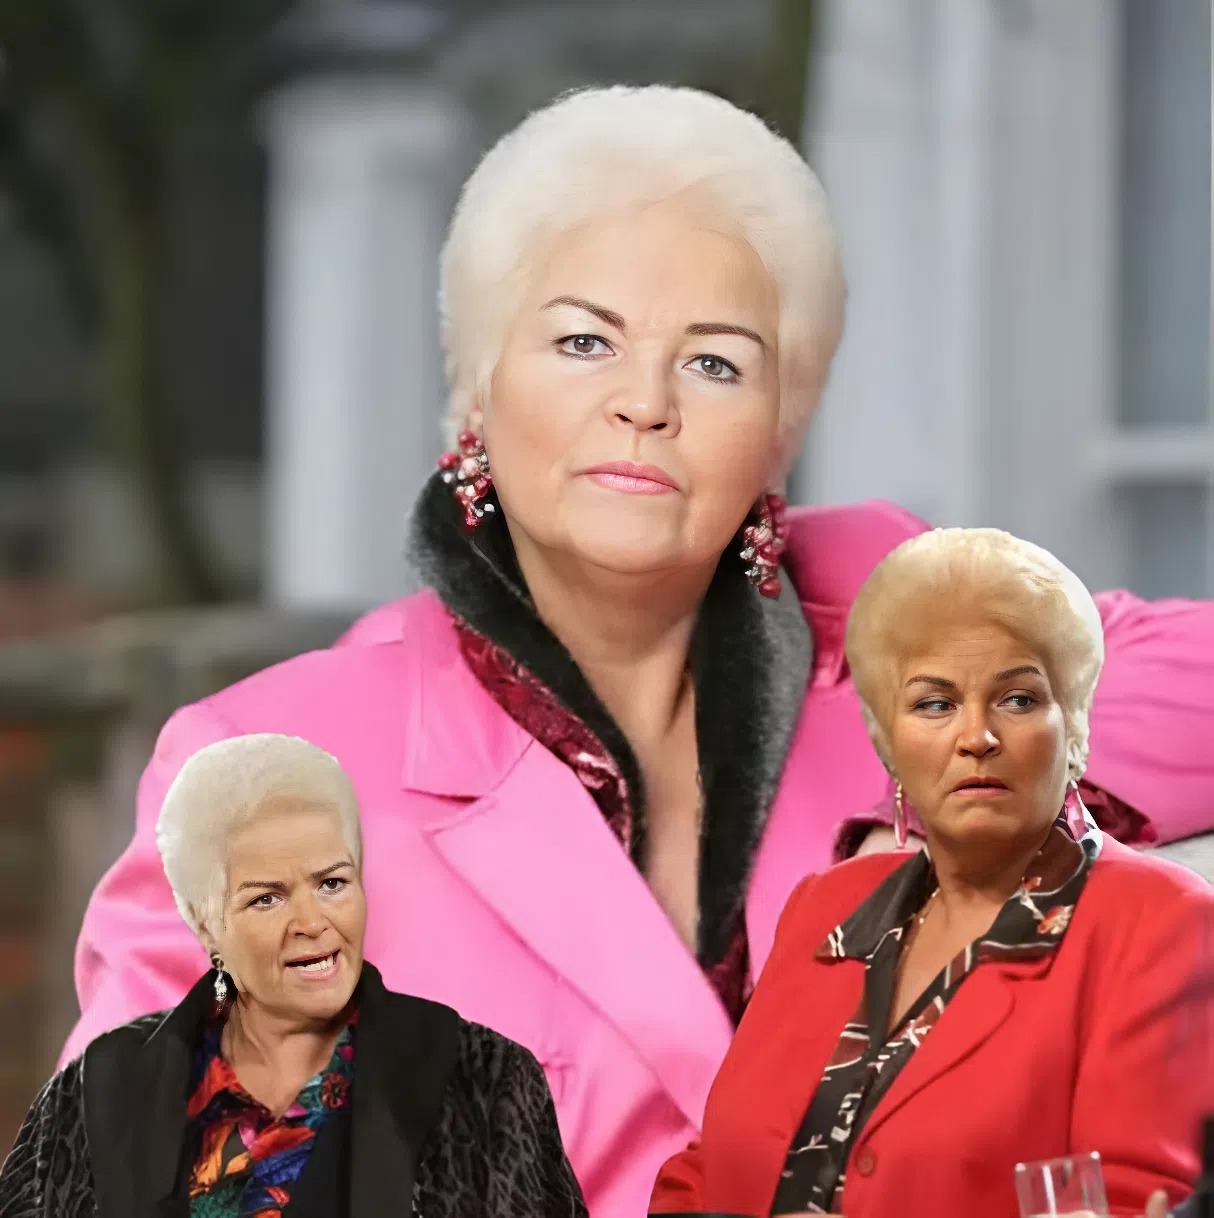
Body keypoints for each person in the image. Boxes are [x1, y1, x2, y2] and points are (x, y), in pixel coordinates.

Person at [60, 86, 1214, 1217]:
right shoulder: (268, 760)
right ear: (478, 391)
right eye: (582, 341)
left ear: (777, 431)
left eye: (714, 362)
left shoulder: (888, 620)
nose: (645, 403)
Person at [649, 528, 1214, 1218]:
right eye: (934, 704)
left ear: (1074, 725)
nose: (977, 737)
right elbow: (705, 1170)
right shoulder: (827, 905)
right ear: (888, 741)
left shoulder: (1158, 922)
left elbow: (1124, 1195)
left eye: (1018, 699)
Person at [0, 734, 585, 1218]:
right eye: (267, 899)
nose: (311, 922)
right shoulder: (99, 1092)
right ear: (204, 925)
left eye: (332, 883)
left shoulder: (485, 1083)